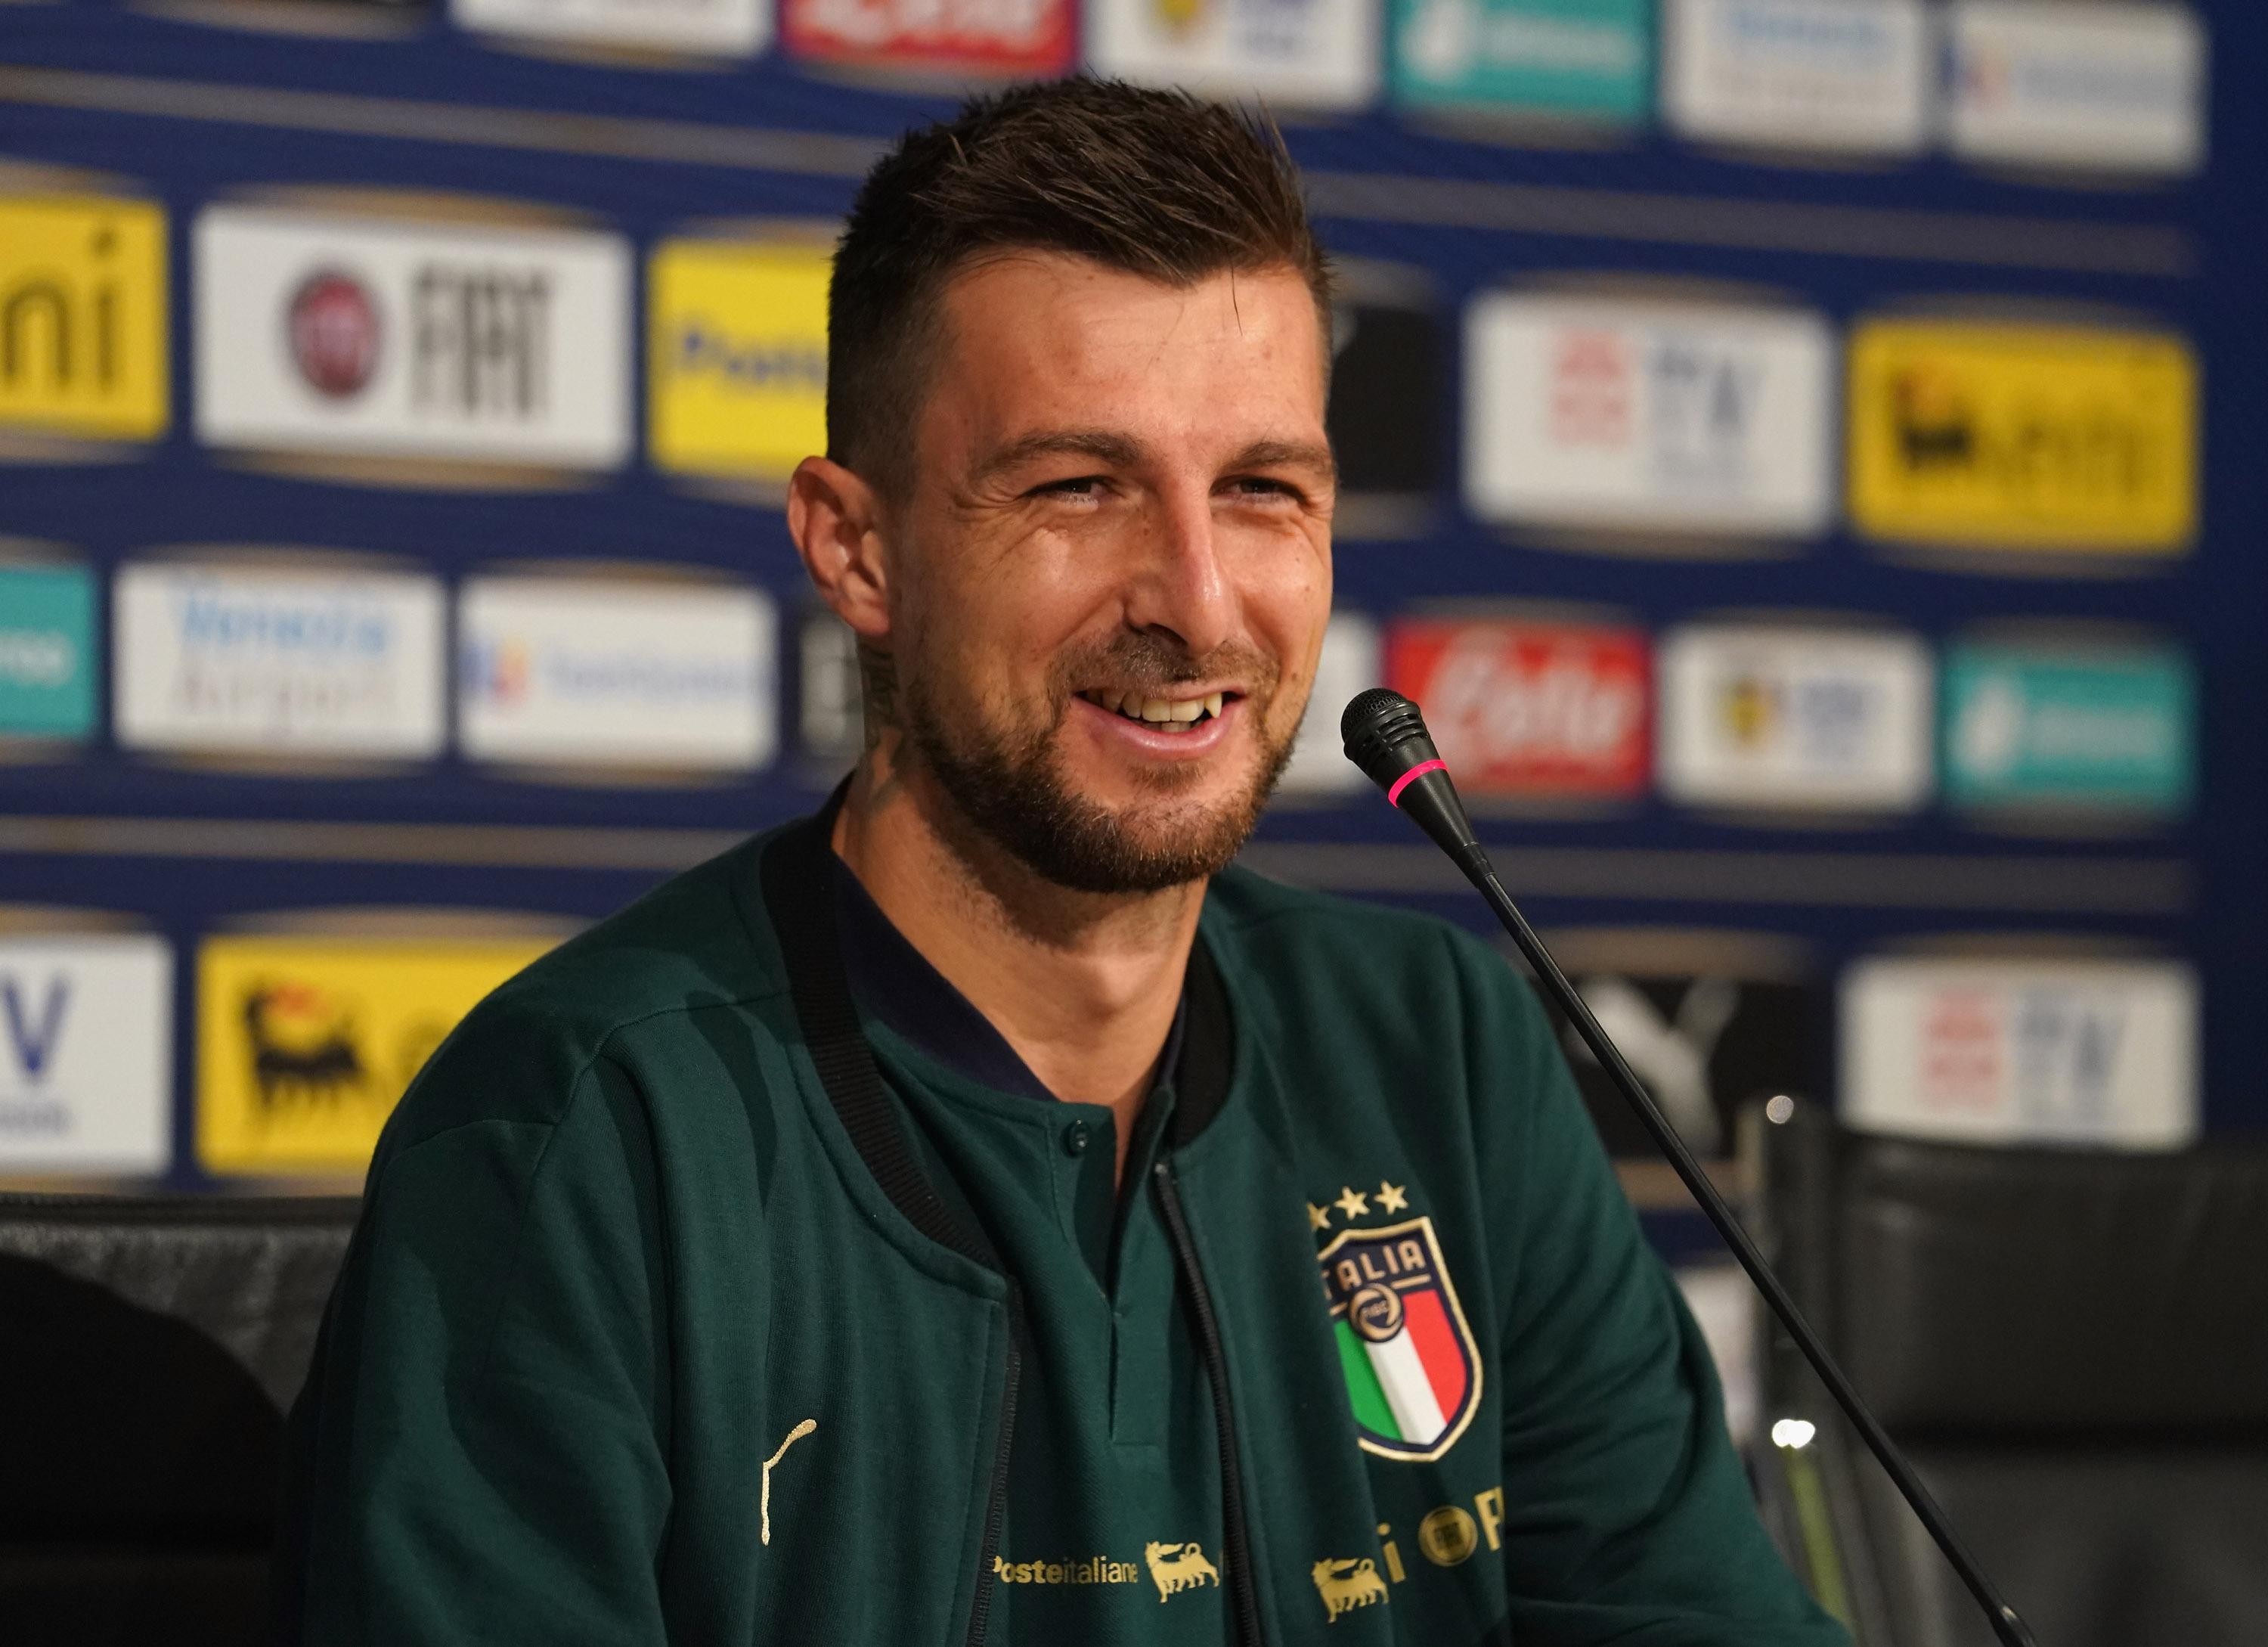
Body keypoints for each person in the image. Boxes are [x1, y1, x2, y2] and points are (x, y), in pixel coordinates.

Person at [274, 79, 1847, 1646]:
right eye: (1077, 489)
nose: (1200, 599)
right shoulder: (581, 1134)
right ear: (857, 548)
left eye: (1261, 492)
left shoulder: (1445, 1053)